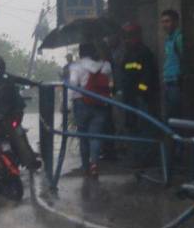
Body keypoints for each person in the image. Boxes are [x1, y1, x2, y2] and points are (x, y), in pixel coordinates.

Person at [67, 42, 113, 178]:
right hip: (100, 103)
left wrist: (67, 105)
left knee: (83, 136)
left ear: (80, 52)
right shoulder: (106, 65)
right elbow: (110, 83)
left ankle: (85, 166)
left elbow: (73, 84)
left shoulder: (76, 66)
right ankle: (94, 164)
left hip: (81, 103)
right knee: (96, 135)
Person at [120, 22, 158, 165]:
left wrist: (140, 92)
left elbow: (146, 76)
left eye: (129, 36)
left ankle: (145, 158)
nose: (126, 40)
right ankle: (136, 157)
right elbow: (125, 73)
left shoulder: (144, 52)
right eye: (125, 37)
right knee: (132, 126)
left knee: (144, 127)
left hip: (141, 98)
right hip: (130, 97)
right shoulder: (128, 53)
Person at [160, 9, 184, 122]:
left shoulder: (179, 38)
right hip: (168, 82)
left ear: (176, 22)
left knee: (176, 117)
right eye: (163, 22)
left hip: (176, 83)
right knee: (170, 117)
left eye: (167, 21)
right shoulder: (168, 40)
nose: (165, 25)